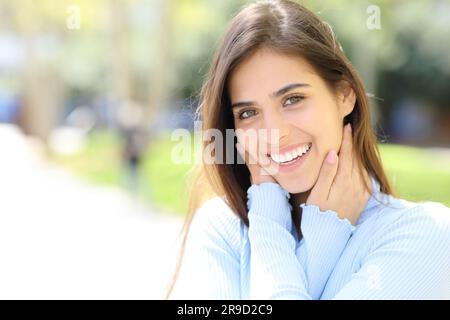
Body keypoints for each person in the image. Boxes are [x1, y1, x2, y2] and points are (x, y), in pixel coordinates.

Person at [167, 0, 450, 299]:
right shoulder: (221, 230)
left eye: (293, 99)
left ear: (344, 95)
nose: (274, 135)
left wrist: (290, 225)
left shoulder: (423, 235)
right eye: (248, 113)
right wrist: (319, 235)